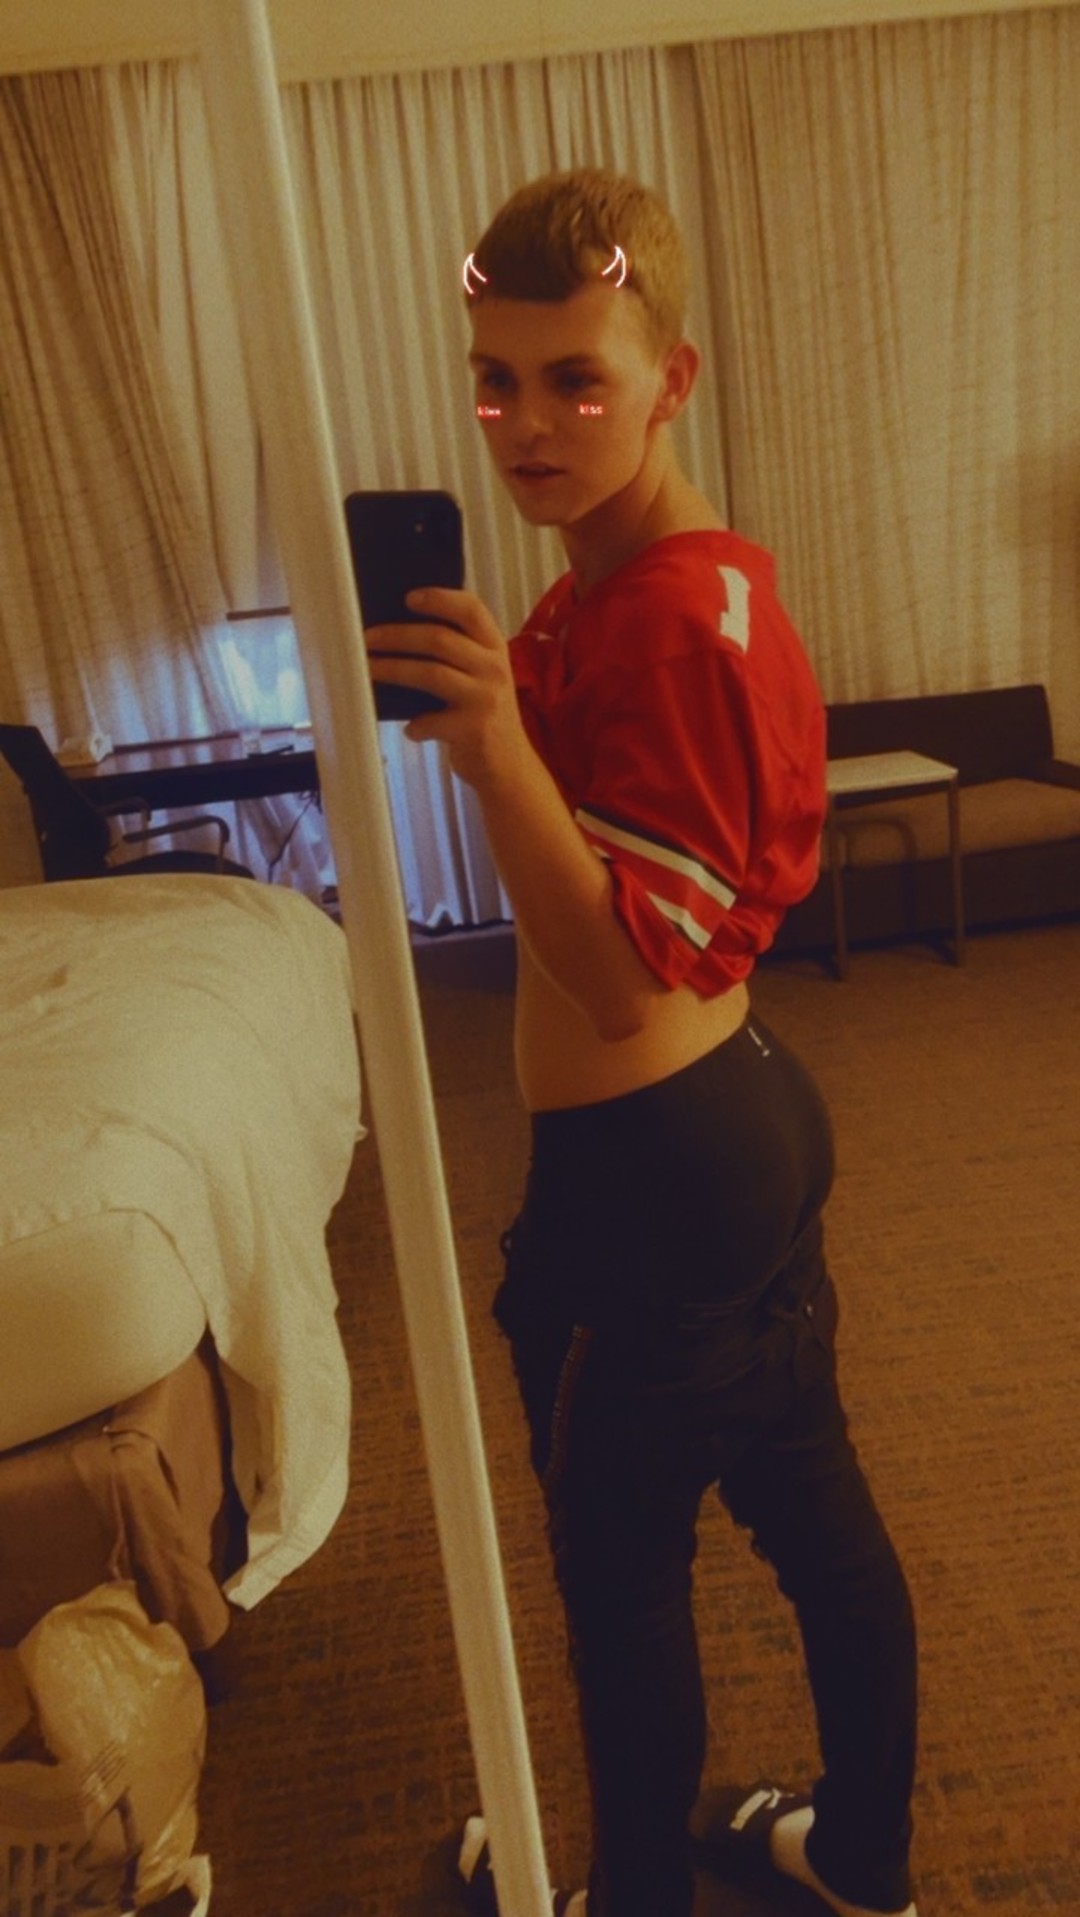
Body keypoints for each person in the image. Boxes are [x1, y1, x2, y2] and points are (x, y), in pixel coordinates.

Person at [365, 168, 918, 1917]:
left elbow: (613, 976)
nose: (527, 424)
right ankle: (863, 1858)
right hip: (731, 1127)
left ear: (670, 381)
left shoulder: (671, 624)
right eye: (495, 380)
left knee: (622, 1582)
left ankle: (630, 1899)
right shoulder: (640, 584)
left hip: (651, 1175)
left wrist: (490, 752)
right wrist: (503, 711)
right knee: (813, 1511)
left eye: (575, 381)